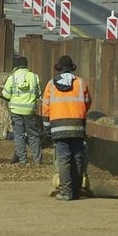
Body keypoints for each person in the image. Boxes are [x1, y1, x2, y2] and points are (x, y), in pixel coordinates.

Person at [41, 55, 91, 201]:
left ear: (58, 68)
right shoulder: (81, 83)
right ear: (72, 67)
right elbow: (87, 102)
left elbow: (45, 107)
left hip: (58, 127)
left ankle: (66, 192)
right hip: (77, 126)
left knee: (63, 159)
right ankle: (76, 191)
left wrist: (47, 128)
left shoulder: (51, 84)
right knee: (77, 158)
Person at [0, 55, 41, 165]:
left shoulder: (12, 77)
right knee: (33, 135)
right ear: (27, 65)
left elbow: (6, 95)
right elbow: (39, 94)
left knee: (19, 135)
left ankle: (23, 161)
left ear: (16, 66)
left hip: (16, 111)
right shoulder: (35, 77)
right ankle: (38, 161)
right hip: (30, 111)